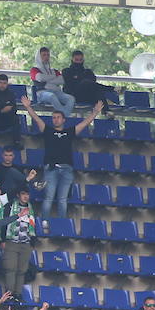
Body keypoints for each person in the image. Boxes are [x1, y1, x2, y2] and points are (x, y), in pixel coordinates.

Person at [19, 93, 102, 221]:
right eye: (53, 117)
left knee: (63, 200)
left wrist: (95, 112)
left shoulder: (69, 131)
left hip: (66, 168)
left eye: (58, 117)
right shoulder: (48, 130)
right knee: (49, 197)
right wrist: (28, 107)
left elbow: (85, 123)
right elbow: (36, 119)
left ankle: (62, 225)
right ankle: (45, 223)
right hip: (50, 168)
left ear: (64, 120)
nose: (55, 119)